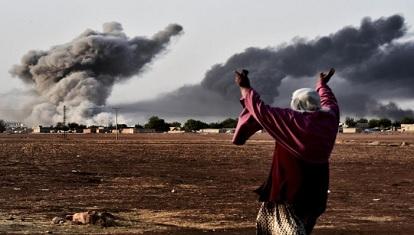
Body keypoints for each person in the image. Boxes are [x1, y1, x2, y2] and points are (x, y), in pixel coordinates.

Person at [233, 68, 339, 235]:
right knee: (304, 225)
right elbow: (329, 100)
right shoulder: (330, 118)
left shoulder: (290, 119)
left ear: (296, 103)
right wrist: (322, 85)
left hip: (288, 188)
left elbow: (260, 110)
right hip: (317, 188)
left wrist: (244, 87)